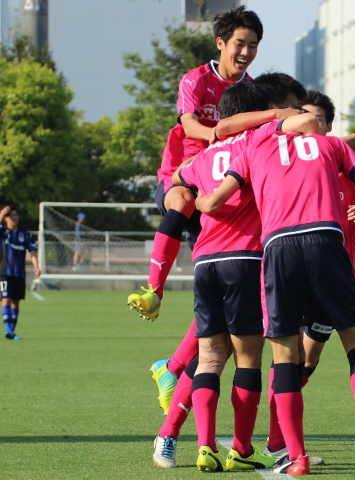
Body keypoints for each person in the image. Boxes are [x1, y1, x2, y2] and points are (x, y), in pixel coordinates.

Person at [196, 114, 355, 475]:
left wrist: (196, 201)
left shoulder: (253, 148)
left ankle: (296, 457)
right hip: (327, 243)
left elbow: (212, 203)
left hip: (278, 249)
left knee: (284, 356)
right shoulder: (333, 145)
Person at [151, 80, 311, 471]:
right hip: (247, 261)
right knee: (245, 359)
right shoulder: (257, 141)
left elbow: (179, 178)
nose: (291, 115)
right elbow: (307, 127)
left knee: (208, 355)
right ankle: (236, 446)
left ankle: (185, 437)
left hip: (205, 260)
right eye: (285, 107)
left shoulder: (206, 155)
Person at [264, 90, 355, 462]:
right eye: (304, 115)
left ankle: (289, 448)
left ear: (329, 126)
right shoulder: (299, 157)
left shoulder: (336, 155)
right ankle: (281, 441)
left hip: (317, 269)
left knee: (302, 361)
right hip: (326, 265)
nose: (310, 122)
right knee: (308, 359)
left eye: (318, 118)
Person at [127, 5, 264, 322]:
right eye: (239, 44)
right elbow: (188, 125)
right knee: (182, 199)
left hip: (223, 190)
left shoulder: (254, 91)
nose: (245, 52)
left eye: (253, 45)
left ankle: (175, 369)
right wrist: (219, 135)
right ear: (221, 43)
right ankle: (154, 292)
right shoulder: (196, 80)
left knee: (224, 299)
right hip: (182, 176)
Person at [0, 205, 40, 340]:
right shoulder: (3, 232)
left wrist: (36, 266)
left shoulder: (25, 234)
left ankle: (12, 331)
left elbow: (32, 251)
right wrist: (1, 213)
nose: (15, 218)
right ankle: (8, 330)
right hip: (4, 273)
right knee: (6, 299)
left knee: (16, 302)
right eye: (11, 216)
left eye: (16, 215)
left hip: (19, 273)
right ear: (6, 219)